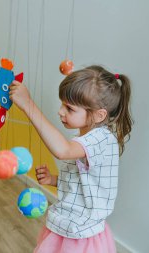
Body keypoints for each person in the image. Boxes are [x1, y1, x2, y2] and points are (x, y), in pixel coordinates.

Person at [10, 65, 133, 253]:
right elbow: (84, 186)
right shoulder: (82, 138)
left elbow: (63, 151)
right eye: (62, 104)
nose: (60, 111)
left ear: (99, 115)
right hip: (67, 227)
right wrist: (54, 180)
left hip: (80, 236)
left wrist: (28, 105)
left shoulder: (101, 139)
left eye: (69, 108)